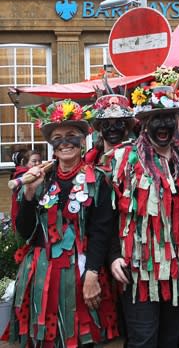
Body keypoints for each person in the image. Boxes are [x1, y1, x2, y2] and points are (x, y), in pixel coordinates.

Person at [4, 100, 118, 346]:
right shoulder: (39, 179)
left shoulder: (98, 180)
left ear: (83, 140)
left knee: (83, 337)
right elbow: (24, 233)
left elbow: (102, 232)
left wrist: (92, 275)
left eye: (72, 136)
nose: (65, 142)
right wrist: (30, 195)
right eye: (58, 137)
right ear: (51, 146)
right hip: (41, 272)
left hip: (82, 272)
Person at [109, 85, 179, 347]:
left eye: (168, 118)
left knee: (171, 339)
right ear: (144, 123)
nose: (162, 124)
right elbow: (105, 215)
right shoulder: (123, 159)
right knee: (144, 340)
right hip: (138, 271)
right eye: (155, 118)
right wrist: (113, 255)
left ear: (176, 122)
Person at [86, 93, 135, 167]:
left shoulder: (135, 158)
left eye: (118, 124)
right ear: (100, 131)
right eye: (106, 125)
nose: (112, 129)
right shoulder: (92, 161)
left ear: (126, 130)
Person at [9, 149, 42, 230]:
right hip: (23, 218)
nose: (37, 163)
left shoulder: (34, 175)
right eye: (34, 161)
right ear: (25, 162)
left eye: (40, 161)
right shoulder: (24, 176)